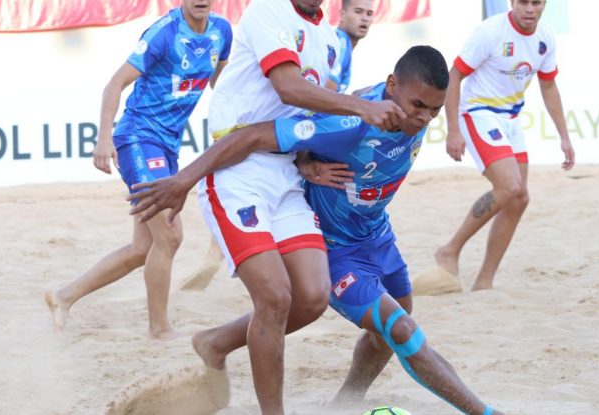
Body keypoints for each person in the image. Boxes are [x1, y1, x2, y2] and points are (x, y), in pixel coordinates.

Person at [130, 46, 505, 415]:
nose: (423, 118)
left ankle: (334, 398)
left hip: (377, 236)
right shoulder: (350, 124)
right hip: (336, 249)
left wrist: (307, 159)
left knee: (390, 329)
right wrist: (183, 180)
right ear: (392, 86)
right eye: (418, 106)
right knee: (402, 329)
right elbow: (253, 136)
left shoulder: (389, 102)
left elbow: (353, 96)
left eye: (434, 110)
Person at [148, 0, 404, 412]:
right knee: (274, 297)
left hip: (286, 174)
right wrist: (364, 106)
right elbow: (288, 87)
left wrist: (307, 161)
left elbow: (304, 115)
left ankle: (216, 342)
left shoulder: (329, 41)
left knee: (312, 297)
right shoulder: (267, 9)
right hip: (236, 170)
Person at [44, 0, 233, 339]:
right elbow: (114, 84)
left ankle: (63, 297)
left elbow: (224, 86)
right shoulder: (164, 32)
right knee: (171, 236)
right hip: (138, 138)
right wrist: (104, 139)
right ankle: (159, 328)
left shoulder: (223, 31)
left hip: (166, 146)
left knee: (142, 249)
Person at [435, 0, 574, 291]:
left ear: (544, 5)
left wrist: (564, 135)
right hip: (476, 112)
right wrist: (453, 130)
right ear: (512, 2)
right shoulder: (490, 32)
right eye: (523, 2)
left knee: (520, 198)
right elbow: (454, 76)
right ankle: (450, 249)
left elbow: (548, 86)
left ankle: (484, 281)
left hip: (510, 118)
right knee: (509, 186)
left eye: (536, 3)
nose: (529, 9)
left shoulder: (545, 37)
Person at [327, 0, 375, 93]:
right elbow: (326, 93)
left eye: (369, 14)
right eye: (358, 12)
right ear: (342, 15)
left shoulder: (339, 40)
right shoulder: (342, 44)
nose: (365, 18)